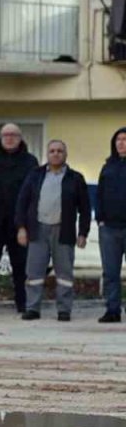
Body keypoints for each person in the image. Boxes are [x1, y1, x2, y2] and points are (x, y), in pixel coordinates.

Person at [16, 140, 91, 322]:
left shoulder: (75, 178)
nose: (56, 154)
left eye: (59, 151)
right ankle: (32, 308)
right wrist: (21, 228)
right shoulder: (35, 175)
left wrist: (83, 233)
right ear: (47, 154)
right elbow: (22, 203)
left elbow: (85, 208)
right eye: (52, 151)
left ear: (65, 155)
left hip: (63, 230)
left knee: (64, 274)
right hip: (37, 230)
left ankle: (64, 310)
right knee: (34, 273)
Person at [0, 124, 39, 315]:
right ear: (0, 137)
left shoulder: (30, 161)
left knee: (21, 265)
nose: (9, 138)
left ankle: (23, 302)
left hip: (19, 223)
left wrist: (27, 223)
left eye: (13, 135)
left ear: (20, 137)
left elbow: (34, 194)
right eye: (6, 135)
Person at [96, 128, 126, 324]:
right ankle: (112, 310)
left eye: (125, 139)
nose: (121, 143)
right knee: (110, 272)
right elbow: (99, 194)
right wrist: (100, 219)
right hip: (109, 228)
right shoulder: (108, 167)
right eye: (118, 139)